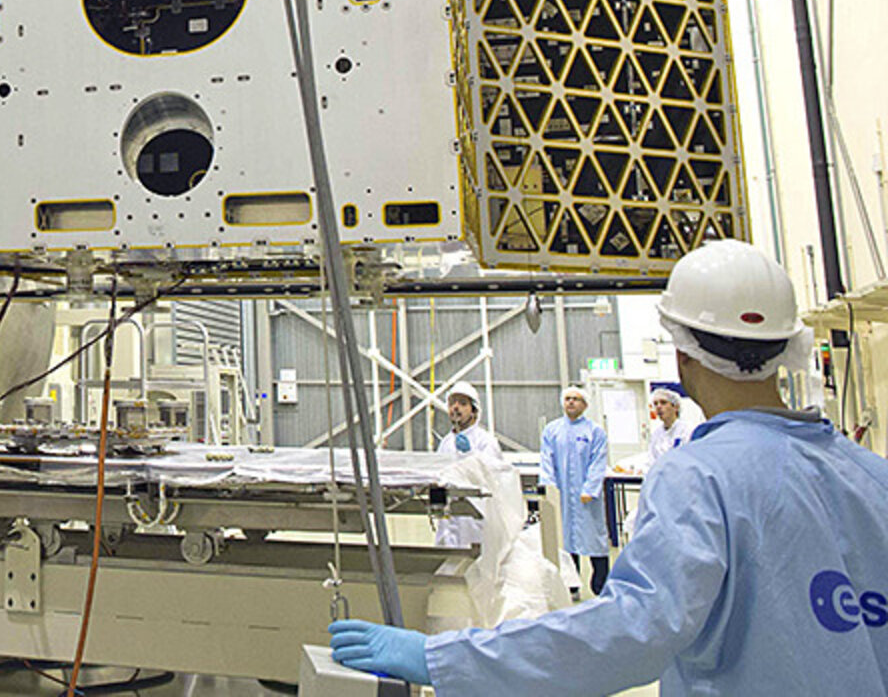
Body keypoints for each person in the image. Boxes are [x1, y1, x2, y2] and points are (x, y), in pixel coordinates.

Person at [329, 239, 888, 695]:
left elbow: (629, 632)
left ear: (682, 354)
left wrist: (444, 658)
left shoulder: (700, 480)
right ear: (788, 348)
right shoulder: (872, 476)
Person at [540, 384, 609, 596]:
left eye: (576, 399)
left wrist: (590, 488)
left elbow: (599, 462)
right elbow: (546, 460)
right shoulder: (552, 430)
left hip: (587, 498)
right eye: (567, 398)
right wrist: (549, 487)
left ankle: (601, 587)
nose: (570, 402)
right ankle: (571, 586)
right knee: (566, 541)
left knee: (594, 540)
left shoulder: (594, 431)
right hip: (561, 495)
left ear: (585, 405)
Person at [434, 380, 502, 548]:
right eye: (452, 403)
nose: (455, 408)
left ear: (474, 411)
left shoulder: (486, 441)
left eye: (463, 403)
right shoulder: (445, 443)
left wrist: (470, 453)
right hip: (449, 517)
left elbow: (491, 475)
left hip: (475, 516)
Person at [645, 386, 693, 466]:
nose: (658, 407)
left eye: (663, 402)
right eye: (655, 404)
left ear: (676, 407)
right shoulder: (656, 434)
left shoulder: (687, 430)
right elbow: (651, 459)